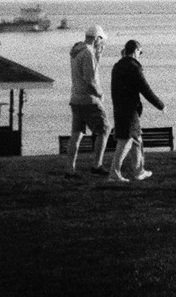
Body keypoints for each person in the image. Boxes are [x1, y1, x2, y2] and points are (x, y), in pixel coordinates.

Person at [108, 39, 165, 183]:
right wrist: (160, 105)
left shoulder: (117, 67)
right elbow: (145, 89)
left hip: (119, 107)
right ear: (135, 51)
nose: (140, 55)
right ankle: (114, 173)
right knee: (126, 140)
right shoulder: (134, 68)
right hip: (130, 109)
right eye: (140, 52)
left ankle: (139, 171)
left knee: (137, 139)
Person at [67, 25, 110, 172]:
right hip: (88, 99)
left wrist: (98, 56)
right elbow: (90, 80)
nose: (102, 42)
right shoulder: (87, 53)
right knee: (104, 129)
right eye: (101, 39)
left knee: (76, 134)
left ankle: (70, 169)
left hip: (75, 98)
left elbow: (85, 72)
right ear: (96, 38)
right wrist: (100, 93)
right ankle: (97, 165)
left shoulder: (76, 51)